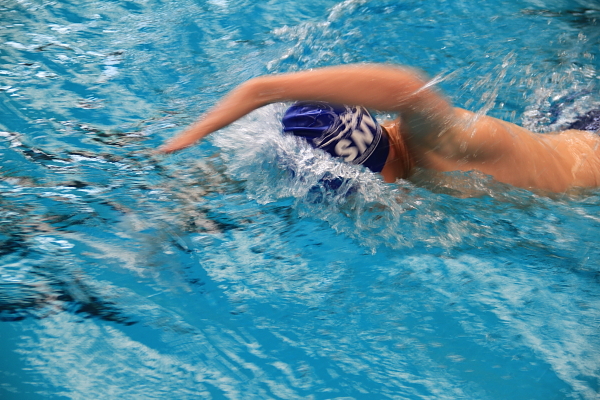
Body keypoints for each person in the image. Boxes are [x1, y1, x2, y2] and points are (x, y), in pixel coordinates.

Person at [159, 64, 600, 193]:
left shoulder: (437, 147)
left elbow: (408, 89)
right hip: (569, 129)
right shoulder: (399, 145)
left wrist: (261, 90)